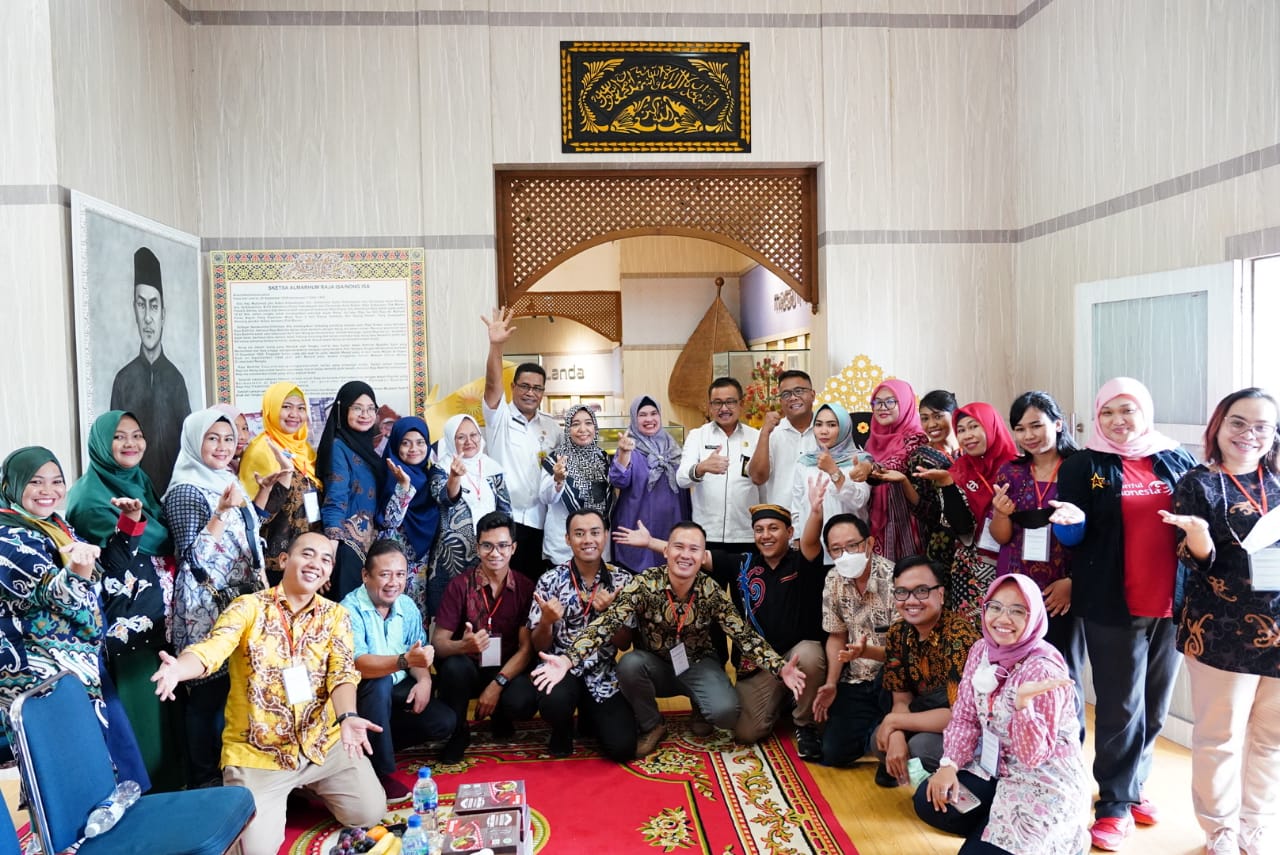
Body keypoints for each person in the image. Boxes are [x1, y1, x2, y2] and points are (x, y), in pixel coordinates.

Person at [150, 532, 386, 855]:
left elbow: (342, 673)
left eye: (325, 559)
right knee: (254, 851)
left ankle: (306, 787)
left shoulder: (336, 616)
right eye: (307, 554)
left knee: (369, 813)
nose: (316, 564)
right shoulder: (249, 608)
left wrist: (347, 716)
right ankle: (276, 794)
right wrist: (179, 668)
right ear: (284, 560)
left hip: (321, 743)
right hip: (259, 752)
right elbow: (213, 648)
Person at [1050, 377, 1196, 851]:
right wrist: (1071, 525)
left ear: (1144, 411)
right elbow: (1072, 537)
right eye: (1107, 412)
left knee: (1154, 703)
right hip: (1113, 601)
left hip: (1171, 602)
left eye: (1127, 410)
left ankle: (1134, 785)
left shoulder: (1175, 458)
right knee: (1120, 706)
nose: (1117, 420)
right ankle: (1113, 803)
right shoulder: (1084, 464)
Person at [533, 521, 807, 759]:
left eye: (694, 549)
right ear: (666, 551)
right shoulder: (644, 584)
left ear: (702, 556)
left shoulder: (711, 591)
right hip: (654, 666)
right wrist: (567, 659)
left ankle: (699, 705)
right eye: (678, 547)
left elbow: (743, 635)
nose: (685, 555)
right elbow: (608, 622)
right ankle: (652, 724)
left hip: (698, 663)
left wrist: (779, 667)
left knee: (725, 713)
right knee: (629, 664)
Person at [1161, 388, 1280, 855]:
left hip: (1278, 630)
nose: (1249, 434)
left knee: (1271, 738)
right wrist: (1199, 536)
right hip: (1220, 630)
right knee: (1220, 738)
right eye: (1238, 422)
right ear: (1219, 426)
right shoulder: (1199, 483)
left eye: (1261, 426)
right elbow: (1195, 561)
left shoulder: (1278, 479)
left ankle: (1257, 823)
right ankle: (1219, 829)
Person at [617, 500, 827, 755]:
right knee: (744, 731)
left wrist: (816, 511)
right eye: (759, 529)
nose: (766, 535)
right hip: (757, 665)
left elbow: (811, 541)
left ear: (790, 532)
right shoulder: (742, 564)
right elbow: (691, 554)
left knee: (809, 655)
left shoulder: (800, 561)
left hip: (793, 658)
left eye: (773, 528)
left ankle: (804, 724)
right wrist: (651, 542)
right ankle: (781, 701)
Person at [0, 446, 150, 787]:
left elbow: (105, 570)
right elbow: (54, 596)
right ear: (11, 485)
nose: (48, 490)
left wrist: (130, 522)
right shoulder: (8, 537)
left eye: (56, 481)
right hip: (40, 673)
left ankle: (116, 811)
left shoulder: (55, 525)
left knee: (108, 753)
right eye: (35, 482)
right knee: (68, 768)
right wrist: (79, 570)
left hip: (78, 661)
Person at [914, 573, 1089, 855]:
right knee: (929, 800)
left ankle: (1064, 835)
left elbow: (1033, 757)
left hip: (1040, 780)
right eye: (995, 607)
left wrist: (1024, 707)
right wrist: (949, 765)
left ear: (1034, 617)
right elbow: (965, 716)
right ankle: (992, 819)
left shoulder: (1043, 669)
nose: (1003, 618)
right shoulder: (981, 650)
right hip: (995, 768)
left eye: (1018, 611)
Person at [65, 411, 183, 790]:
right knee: (141, 714)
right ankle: (148, 795)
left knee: (166, 709)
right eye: (119, 437)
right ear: (102, 444)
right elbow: (117, 559)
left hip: (157, 615)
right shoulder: (89, 498)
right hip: (126, 626)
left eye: (136, 434)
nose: (130, 443)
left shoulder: (140, 482)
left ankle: (175, 788)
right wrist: (132, 523)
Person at [164, 407, 274, 787]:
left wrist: (261, 494)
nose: (222, 446)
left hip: (239, 600)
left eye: (229, 439)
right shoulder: (185, 491)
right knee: (207, 692)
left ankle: (234, 772)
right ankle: (204, 778)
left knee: (235, 689)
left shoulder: (226, 479)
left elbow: (245, 537)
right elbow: (192, 558)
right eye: (212, 438)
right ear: (196, 441)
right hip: (205, 606)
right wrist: (222, 512)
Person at [988, 391, 1086, 740]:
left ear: (1058, 424)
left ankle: (1065, 747)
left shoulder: (1081, 469)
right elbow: (1001, 536)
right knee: (1013, 667)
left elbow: (1098, 534)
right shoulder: (1010, 472)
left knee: (1062, 669)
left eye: (1036, 425)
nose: (1028, 435)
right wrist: (1001, 513)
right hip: (1016, 587)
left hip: (1060, 589)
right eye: (1020, 428)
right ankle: (1018, 746)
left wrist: (1073, 582)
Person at [341, 539, 456, 802]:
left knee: (443, 721)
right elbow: (358, 664)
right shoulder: (348, 610)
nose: (393, 582)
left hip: (397, 687)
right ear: (366, 575)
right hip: (362, 691)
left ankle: (375, 744)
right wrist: (405, 661)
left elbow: (419, 652)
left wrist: (424, 681)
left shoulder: (406, 606)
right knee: (379, 683)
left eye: (400, 575)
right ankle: (380, 771)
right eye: (385, 574)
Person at [527, 508, 637, 759]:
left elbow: (624, 643)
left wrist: (610, 614)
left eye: (595, 532)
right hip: (559, 668)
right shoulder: (549, 580)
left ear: (605, 535)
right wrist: (546, 622)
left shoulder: (622, 581)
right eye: (579, 533)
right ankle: (562, 727)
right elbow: (538, 646)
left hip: (602, 672)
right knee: (554, 703)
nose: (588, 540)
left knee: (622, 748)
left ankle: (589, 718)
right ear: (567, 539)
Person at [432, 511, 539, 765]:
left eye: (502, 545)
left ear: (513, 548)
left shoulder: (525, 587)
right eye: (487, 546)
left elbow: (526, 650)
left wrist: (496, 685)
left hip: (505, 670)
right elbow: (438, 644)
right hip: (469, 668)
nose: (495, 553)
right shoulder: (459, 585)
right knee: (454, 668)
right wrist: (463, 645)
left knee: (523, 701)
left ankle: (501, 713)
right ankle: (458, 733)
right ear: (477, 547)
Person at [872, 555, 981, 786]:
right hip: (925, 716)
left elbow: (959, 716)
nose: (911, 601)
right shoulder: (898, 632)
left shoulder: (959, 637)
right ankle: (921, 781)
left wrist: (894, 722)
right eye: (902, 592)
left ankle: (959, 785)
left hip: (967, 730)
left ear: (940, 594)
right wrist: (896, 731)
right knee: (880, 740)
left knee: (920, 748)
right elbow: (901, 699)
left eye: (921, 591)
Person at [481, 307, 562, 580]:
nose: (530, 393)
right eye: (524, 386)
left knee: (534, 588)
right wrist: (496, 346)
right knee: (503, 586)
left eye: (537, 388)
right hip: (505, 521)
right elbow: (492, 385)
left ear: (543, 393)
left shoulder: (552, 427)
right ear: (513, 387)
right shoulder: (499, 417)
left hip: (541, 522)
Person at [917, 402, 1019, 618]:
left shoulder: (1018, 469)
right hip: (971, 569)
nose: (967, 435)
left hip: (1014, 563)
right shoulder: (960, 468)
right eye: (961, 430)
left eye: (974, 427)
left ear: (991, 426)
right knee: (970, 632)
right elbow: (960, 527)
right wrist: (947, 484)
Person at [814, 512, 896, 768]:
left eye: (852, 546)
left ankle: (886, 729)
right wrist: (831, 683)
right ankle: (875, 729)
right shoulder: (833, 579)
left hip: (893, 679)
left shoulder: (895, 578)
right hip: (857, 679)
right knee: (833, 753)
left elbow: (906, 649)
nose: (846, 555)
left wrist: (867, 651)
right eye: (837, 549)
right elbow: (836, 634)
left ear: (869, 543)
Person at [110, 246, 192, 493]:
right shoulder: (123, 380)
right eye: (141, 304)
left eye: (153, 306)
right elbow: (112, 445)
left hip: (174, 493)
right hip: (131, 494)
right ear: (134, 311)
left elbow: (187, 447)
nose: (147, 317)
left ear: (163, 314)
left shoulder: (176, 380)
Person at [425, 414, 512, 617]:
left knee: (486, 612)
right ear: (450, 440)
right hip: (452, 558)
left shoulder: (492, 468)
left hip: (490, 553)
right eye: (461, 437)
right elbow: (444, 498)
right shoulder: (441, 468)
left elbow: (506, 511)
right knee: (450, 615)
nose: (469, 441)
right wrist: (455, 477)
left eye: (474, 435)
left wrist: (505, 545)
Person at [238, 382, 322, 583]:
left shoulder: (304, 450)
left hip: (308, 559)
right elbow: (256, 516)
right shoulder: (261, 450)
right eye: (286, 407)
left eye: (300, 408)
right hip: (275, 562)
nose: (294, 414)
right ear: (271, 409)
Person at [677, 377, 762, 552]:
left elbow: (764, 484)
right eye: (717, 403)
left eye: (730, 402)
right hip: (707, 534)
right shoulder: (698, 436)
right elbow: (681, 479)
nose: (724, 408)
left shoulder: (756, 437)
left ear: (741, 404)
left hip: (746, 533)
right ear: (710, 406)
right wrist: (701, 468)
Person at [317, 380, 385, 601]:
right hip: (347, 549)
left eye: (370, 408)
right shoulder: (339, 447)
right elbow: (335, 498)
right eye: (357, 408)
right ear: (343, 410)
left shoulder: (367, 449)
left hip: (368, 549)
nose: (365, 414)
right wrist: (329, 556)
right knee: (347, 614)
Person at [609, 395, 690, 573]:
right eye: (642, 415)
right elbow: (619, 480)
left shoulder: (673, 447)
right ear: (634, 418)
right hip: (637, 525)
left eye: (654, 413)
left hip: (671, 523)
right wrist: (623, 453)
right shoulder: (629, 447)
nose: (649, 419)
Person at [790, 402, 872, 559]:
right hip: (812, 547)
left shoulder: (860, 461)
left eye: (832, 425)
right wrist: (797, 538)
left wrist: (834, 471)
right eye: (818, 424)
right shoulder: (805, 462)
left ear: (844, 428)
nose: (823, 431)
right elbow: (797, 504)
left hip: (849, 547)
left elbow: (859, 501)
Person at [374, 416, 441, 606]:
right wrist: (404, 485)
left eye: (420, 442)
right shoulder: (389, 474)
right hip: (392, 563)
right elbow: (390, 521)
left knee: (416, 613)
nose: (414, 449)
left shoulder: (430, 477)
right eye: (405, 443)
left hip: (422, 565)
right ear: (395, 444)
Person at [540, 405, 613, 568]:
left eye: (588, 423)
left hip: (598, 547)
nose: (583, 429)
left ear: (595, 427)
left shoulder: (603, 458)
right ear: (567, 429)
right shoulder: (556, 458)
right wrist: (558, 479)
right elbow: (545, 497)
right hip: (564, 548)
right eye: (575, 424)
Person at [863, 380, 927, 561]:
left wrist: (871, 469)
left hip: (906, 522)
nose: (882, 407)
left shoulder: (916, 438)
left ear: (905, 403)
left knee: (908, 573)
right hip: (875, 519)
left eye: (890, 401)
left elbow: (898, 463)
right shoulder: (871, 441)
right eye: (877, 402)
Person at [902, 390, 962, 565]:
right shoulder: (921, 457)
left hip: (981, 539)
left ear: (954, 415)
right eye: (925, 418)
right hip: (943, 542)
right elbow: (925, 510)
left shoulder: (969, 448)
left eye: (938, 416)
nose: (931, 424)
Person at [748, 369, 818, 506]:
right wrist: (764, 433)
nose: (793, 398)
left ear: (813, 395)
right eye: (786, 394)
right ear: (780, 401)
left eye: (799, 391)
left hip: (822, 514)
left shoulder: (828, 429)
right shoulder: (772, 433)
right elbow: (757, 478)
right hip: (783, 516)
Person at [213, 403, 251, 476]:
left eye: (244, 428)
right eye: (234, 429)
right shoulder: (214, 471)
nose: (242, 437)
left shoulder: (235, 466)